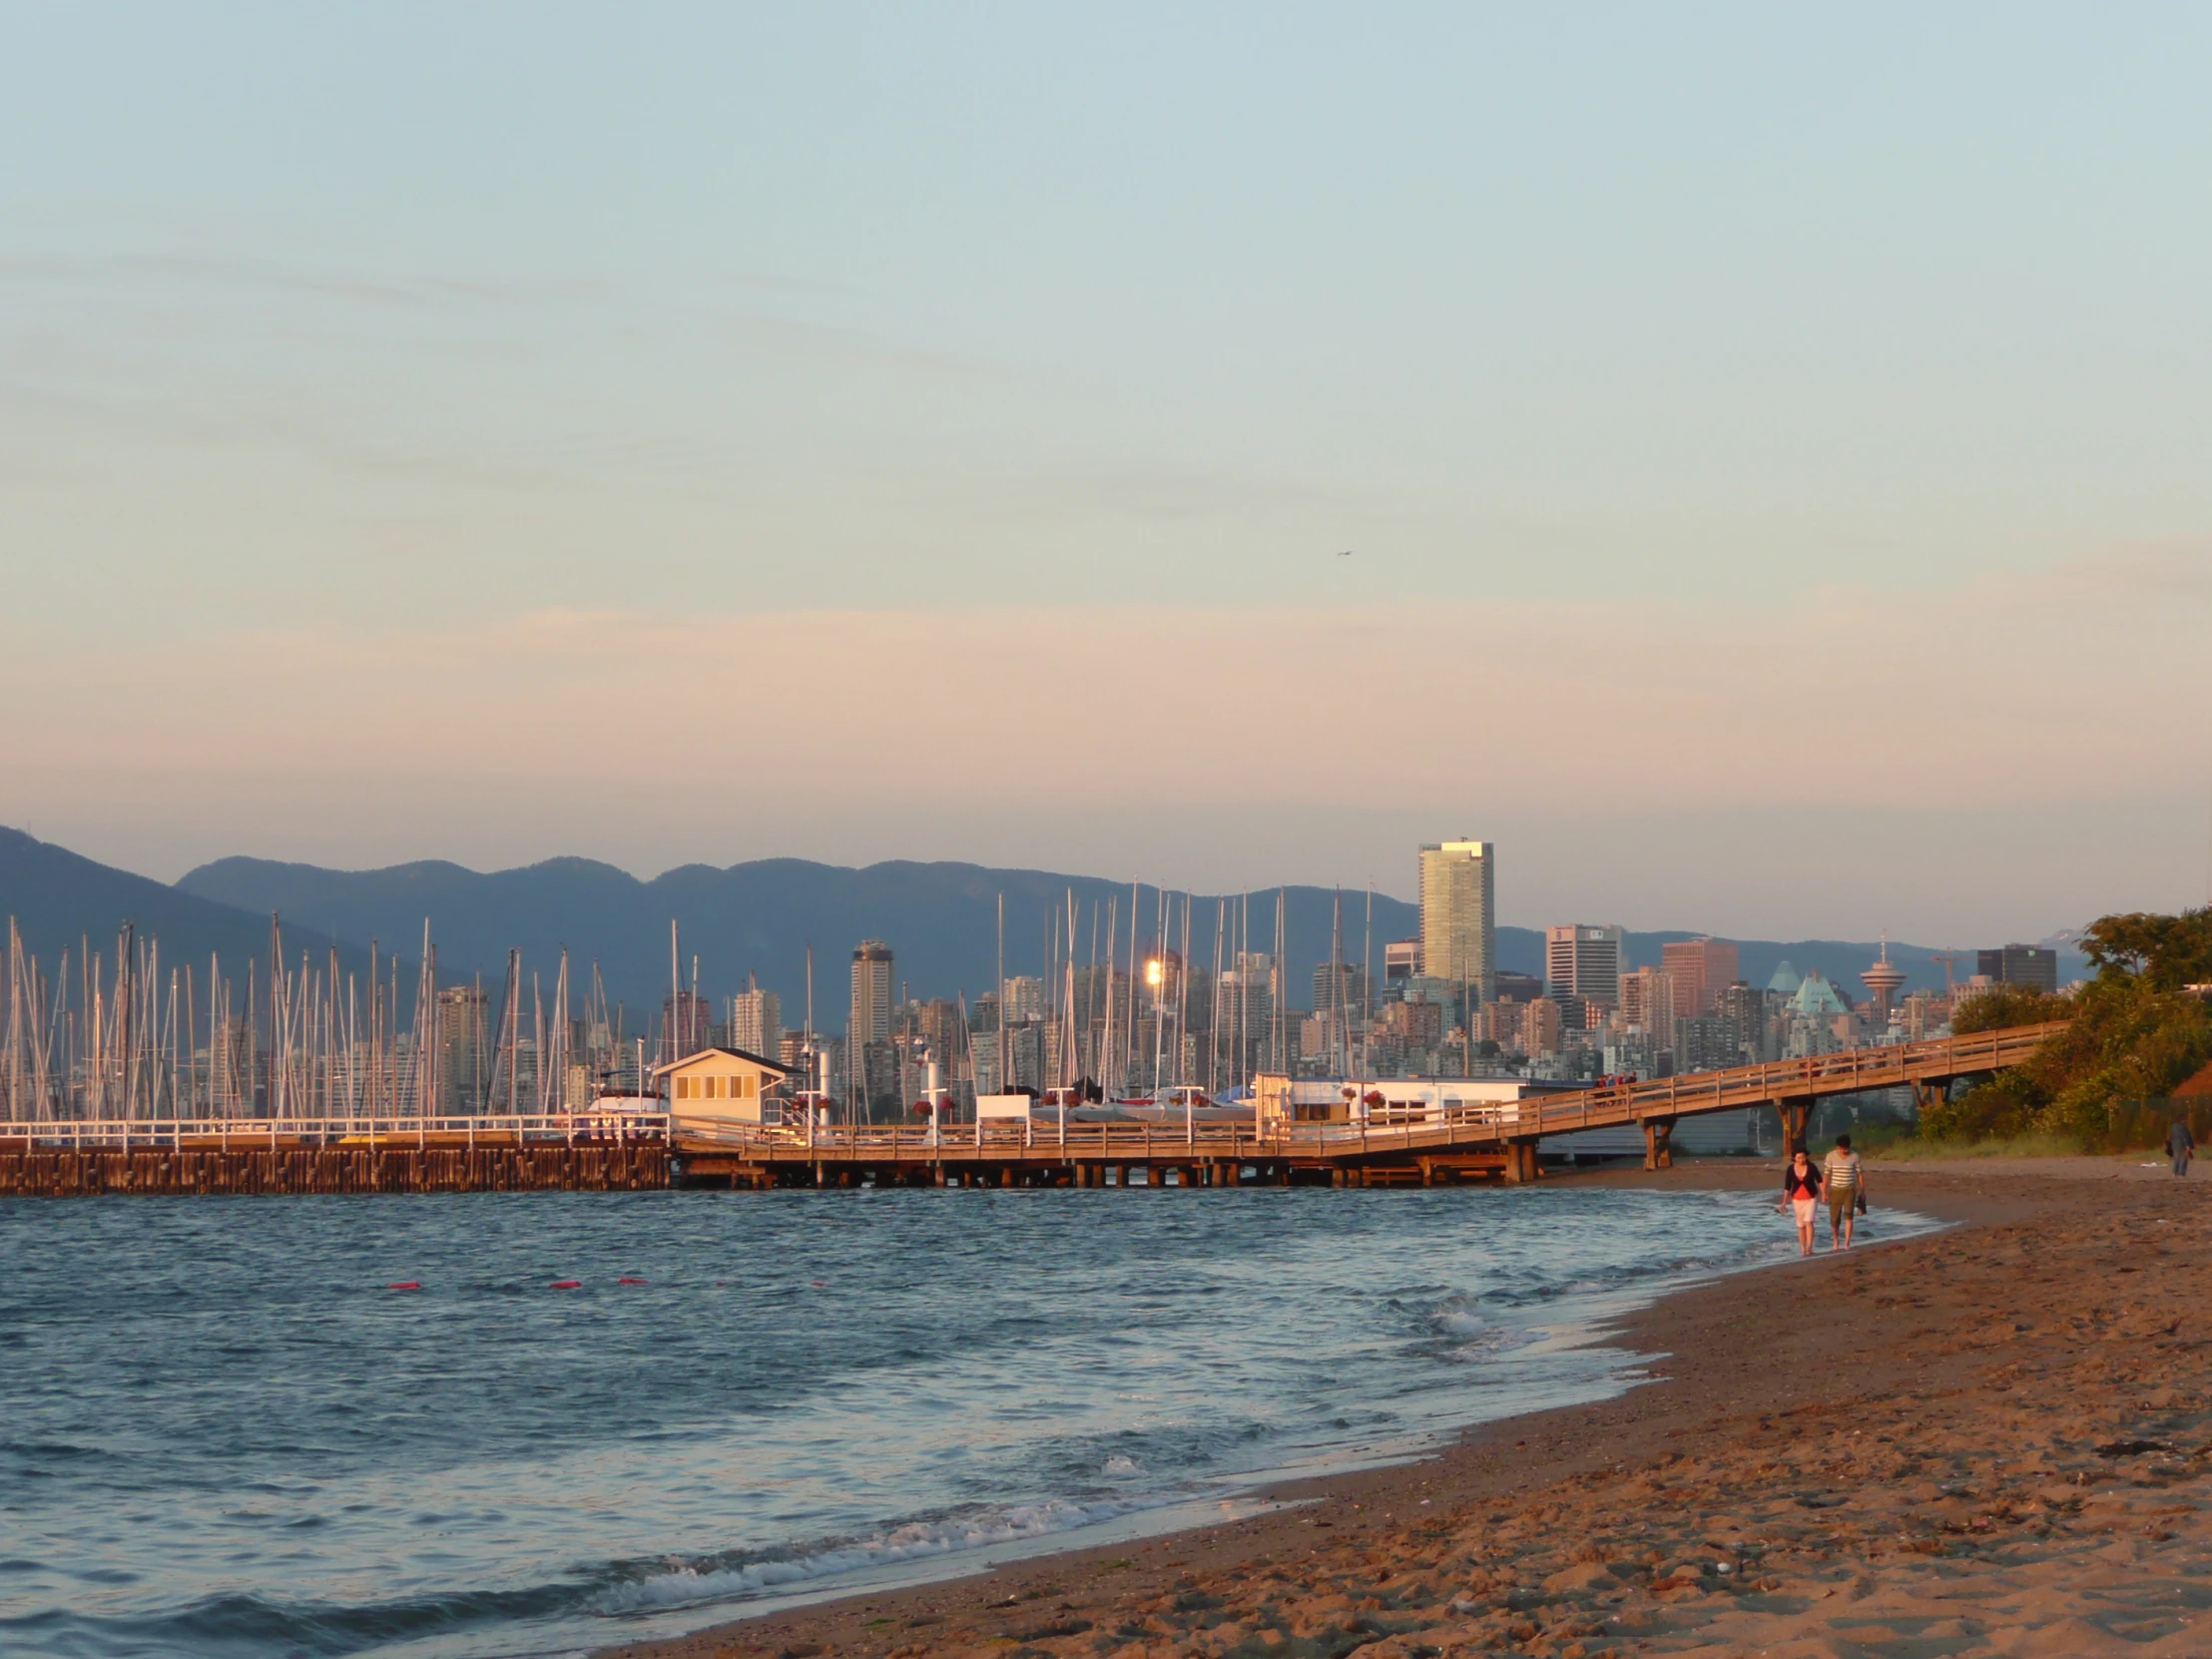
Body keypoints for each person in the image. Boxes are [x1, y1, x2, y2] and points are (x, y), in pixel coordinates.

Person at [1779, 1147, 1823, 1257]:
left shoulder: (1812, 1167)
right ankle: (1802, 1248)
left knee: (1809, 1222)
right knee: (1801, 1225)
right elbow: (1787, 1186)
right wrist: (1784, 1202)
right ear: (1794, 1158)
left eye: (1803, 1157)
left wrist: (1824, 1193)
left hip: (1810, 1199)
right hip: (1797, 1200)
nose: (1801, 1160)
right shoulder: (1790, 1169)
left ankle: (1809, 1247)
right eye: (1798, 1157)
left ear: (1806, 1157)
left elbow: (1820, 1180)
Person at [1823, 1134, 1864, 1250]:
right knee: (1835, 1219)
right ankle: (1835, 1241)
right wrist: (1823, 1191)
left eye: (1846, 1148)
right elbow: (1826, 1174)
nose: (1843, 1150)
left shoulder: (1854, 1156)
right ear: (1837, 1147)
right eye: (1841, 1148)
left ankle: (1847, 1242)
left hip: (1850, 1190)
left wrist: (1862, 1191)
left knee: (1849, 1216)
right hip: (1835, 1190)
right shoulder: (1830, 1156)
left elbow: (1860, 1174)